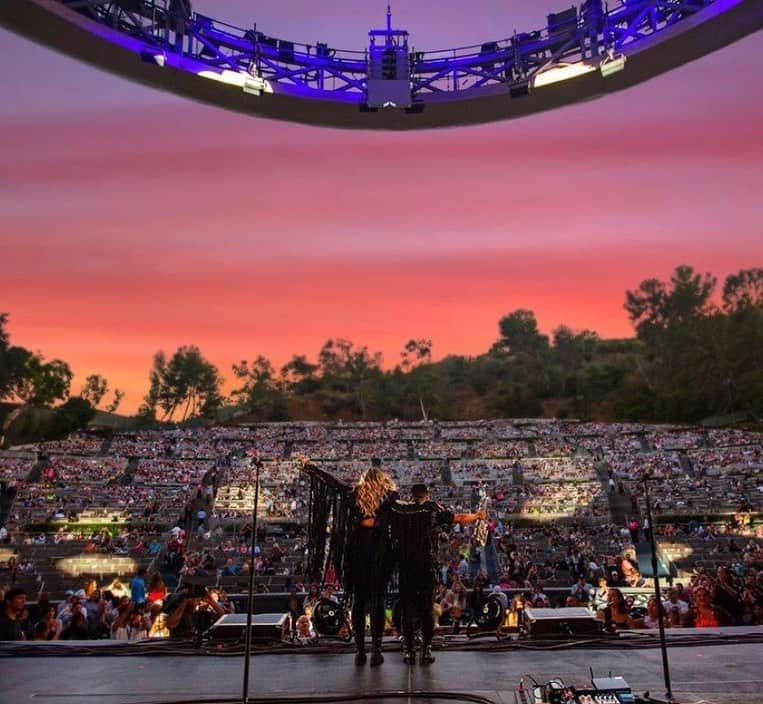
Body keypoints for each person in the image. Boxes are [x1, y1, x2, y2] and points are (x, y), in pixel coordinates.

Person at [393, 483, 484, 666]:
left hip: (405, 567)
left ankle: (409, 651)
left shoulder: (401, 510)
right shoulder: (432, 509)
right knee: (427, 610)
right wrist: (477, 516)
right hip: (426, 566)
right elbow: (458, 518)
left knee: (407, 610)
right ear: (427, 494)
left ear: (411, 495)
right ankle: (426, 650)